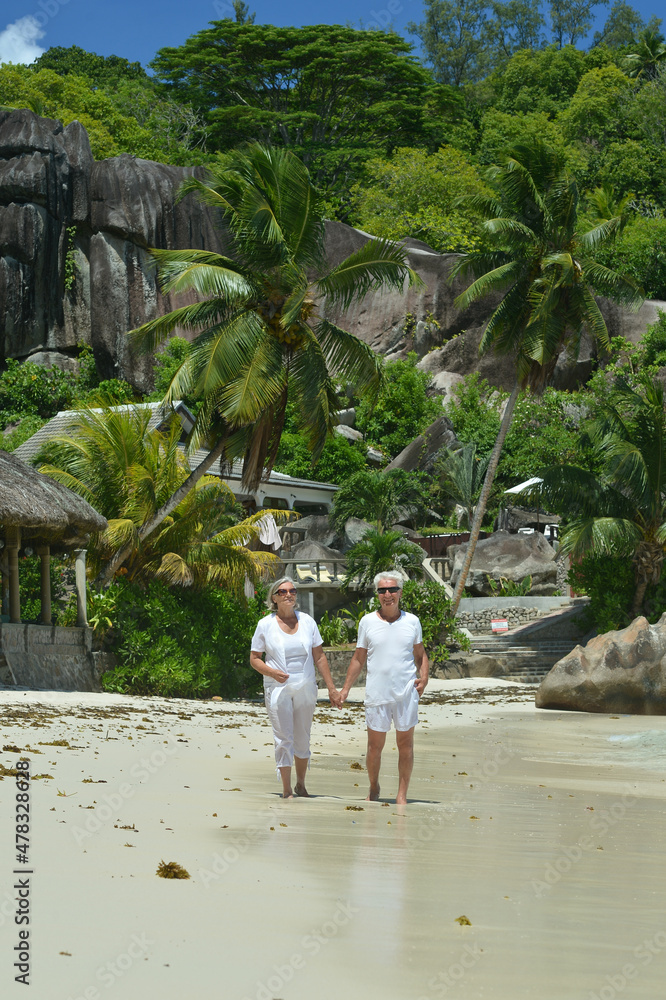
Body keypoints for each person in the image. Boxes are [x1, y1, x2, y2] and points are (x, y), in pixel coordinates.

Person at [339, 570, 428, 805]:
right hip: (377, 693)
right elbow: (358, 658)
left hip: (406, 693)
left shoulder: (412, 621)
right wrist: (345, 689)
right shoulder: (367, 622)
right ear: (377, 594)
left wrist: (425, 677)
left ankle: (402, 794)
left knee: (405, 745)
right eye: (382, 590)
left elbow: (420, 654)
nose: (387, 594)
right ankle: (373, 786)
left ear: (400, 593)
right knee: (374, 747)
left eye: (392, 589)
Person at [250, 576, 339, 798]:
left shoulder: (307, 621)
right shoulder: (265, 624)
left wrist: (331, 688)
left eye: (292, 591)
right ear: (274, 598)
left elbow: (319, 657)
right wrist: (272, 672)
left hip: (305, 686)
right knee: (284, 737)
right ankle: (286, 789)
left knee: (303, 736)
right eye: (282, 592)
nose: (288, 594)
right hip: (277, 688)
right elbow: (254, 658)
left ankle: (301, 784)